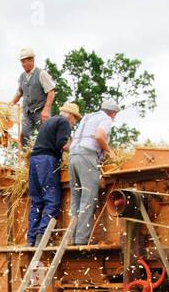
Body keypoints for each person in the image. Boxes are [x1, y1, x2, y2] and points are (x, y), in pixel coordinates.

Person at [26, 102, 81, 246]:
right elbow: (61, 145)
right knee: (52, 199)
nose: (74, 122)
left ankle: (31, 239)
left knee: (37, 201)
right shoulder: (64, 122)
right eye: (75, 119)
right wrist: (78, 150)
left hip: (34, 160)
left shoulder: (48, 122)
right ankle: (42, 237)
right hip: (47, 161)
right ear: (70, 115)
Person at [67, 100, 118, 245]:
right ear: (112, 113)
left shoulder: (88, 117)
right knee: (88, 198)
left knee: (76, 198)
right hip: (87, 156)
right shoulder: (106, 119)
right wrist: (110, 152)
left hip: (73, 156)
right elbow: (99, 136)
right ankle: (82, 239)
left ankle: (73, 238)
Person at [10, 48, 56, 148]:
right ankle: (27, 156)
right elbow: (19, 93)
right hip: (27, 111)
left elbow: (51, 92)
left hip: (41, 111)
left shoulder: (41, 74)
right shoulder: (22, 77)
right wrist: (9, 105)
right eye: (21, 62)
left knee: (46, 135)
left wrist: (46, 110)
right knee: (24, 135)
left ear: (31, 60)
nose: (22, 64)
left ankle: (49, 155)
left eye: (24, 61)